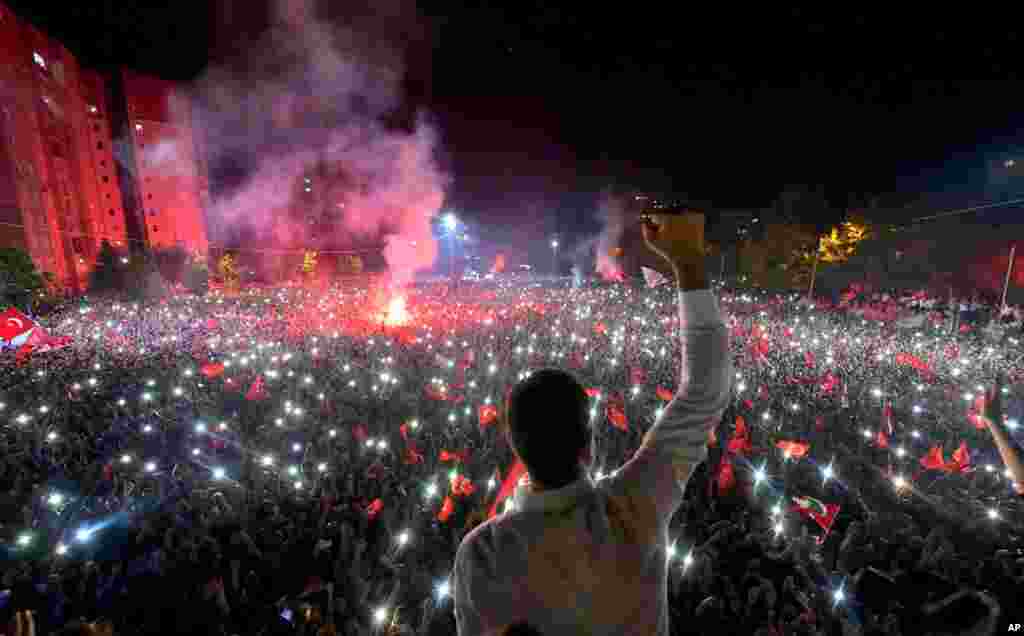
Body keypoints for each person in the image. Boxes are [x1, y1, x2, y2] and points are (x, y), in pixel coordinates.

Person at [453, 212, 732, 635]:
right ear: (590, 441)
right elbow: (706, 389)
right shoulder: (635, 505)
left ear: (514, 444)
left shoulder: (482, 555)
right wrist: (688, 262)